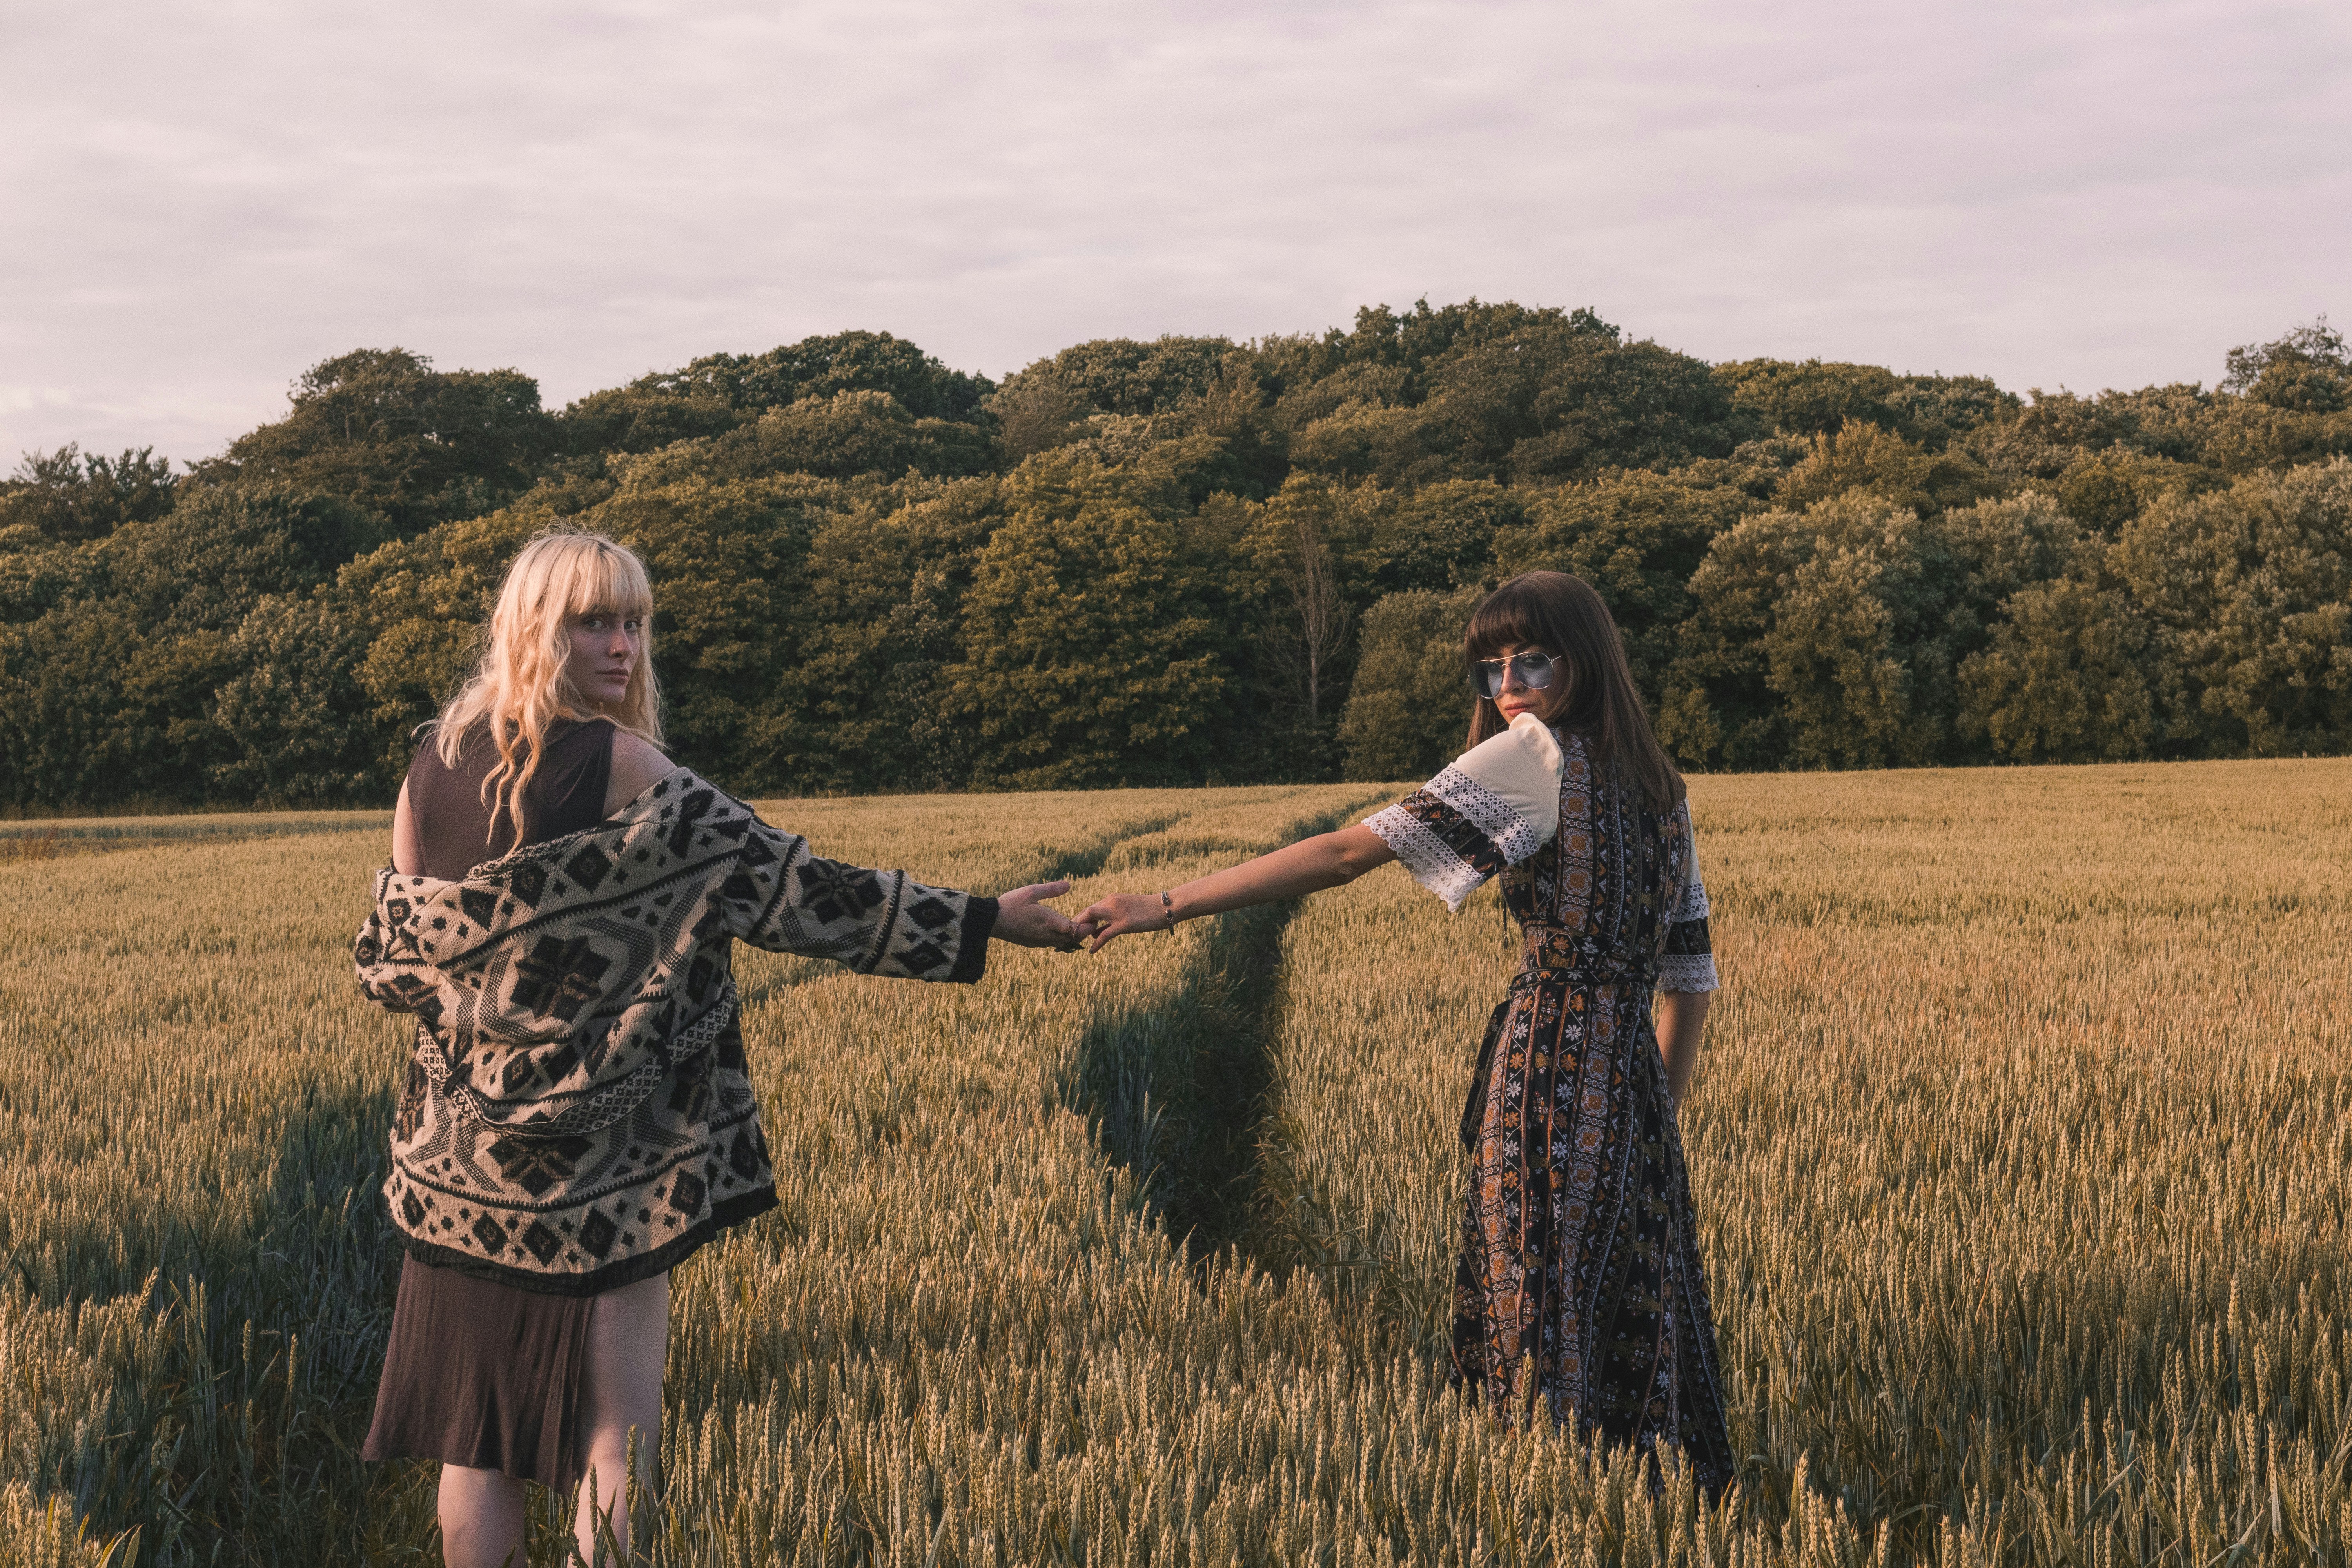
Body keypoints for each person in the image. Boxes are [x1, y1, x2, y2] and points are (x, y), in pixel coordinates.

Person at [352, 529, 1085, 1566]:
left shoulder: (436, 760)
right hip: (604, 1167)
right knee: (618, 1432)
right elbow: (801, 894)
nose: (622, 647)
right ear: (534, 627)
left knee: (476, 1443)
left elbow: (396, 959)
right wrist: (981, 921)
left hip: (459, 1166)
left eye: (635, 623)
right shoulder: (622, 765)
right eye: (592, 622)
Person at [1080, 569, 1732, 1489]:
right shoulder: (1664, 791)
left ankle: (1539, 1512)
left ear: (1584, 660)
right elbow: (1690, 979)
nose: (1508, 687)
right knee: (1627, 1317)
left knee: (1531, 1320)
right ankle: (1648, 1518)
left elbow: (1348, 851)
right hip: (1631, 1097)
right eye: (1490, 669)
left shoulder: (1534, 756)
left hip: (1542, 1081)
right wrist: (1650, 1118)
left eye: (1531, 661)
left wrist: (1167, 901)